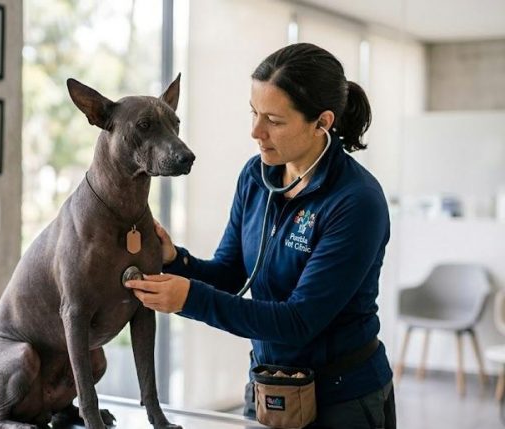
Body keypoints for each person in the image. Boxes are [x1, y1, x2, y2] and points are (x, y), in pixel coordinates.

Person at [124, 42, 396, 429]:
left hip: (343, 398)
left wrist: (190, 298)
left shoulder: (356, 202)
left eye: (274, 120)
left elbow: (300, 320)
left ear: (322, 122)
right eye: (254, 113)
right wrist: (176, 260)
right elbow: (232, 273)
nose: (256, 131)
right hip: (268, 386)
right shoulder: (256, 176)